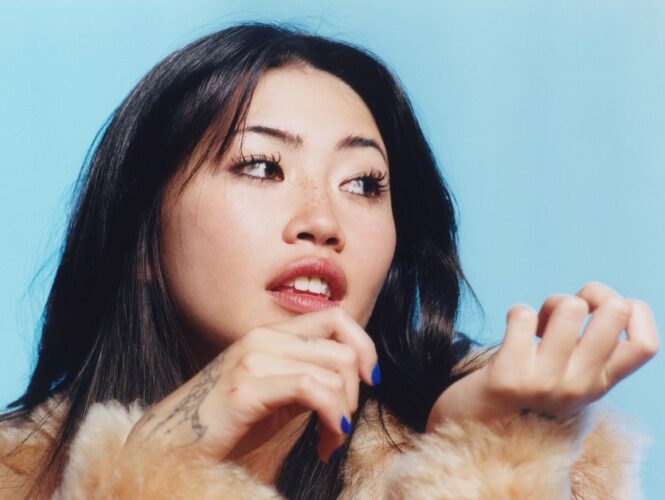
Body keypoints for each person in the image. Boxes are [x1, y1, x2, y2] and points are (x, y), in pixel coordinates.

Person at [0, 22, 659, 499]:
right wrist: (153, 467)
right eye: (262, 166)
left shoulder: (545, 472)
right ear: (142, 235)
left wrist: (480, 454)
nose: (322, 221)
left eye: (363, 184)